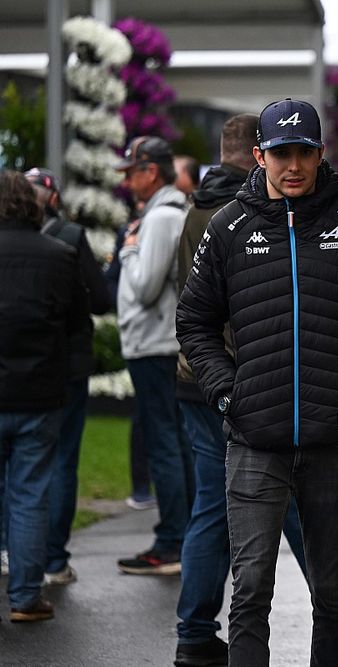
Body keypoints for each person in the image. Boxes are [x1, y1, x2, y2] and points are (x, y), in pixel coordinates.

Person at [172, 112, 338, 666]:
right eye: (280, 153)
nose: (293, 166)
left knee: (330, 589)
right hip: (254, 437)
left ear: (319, 154)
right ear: (259, 155)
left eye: (303, 153)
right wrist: (225, 391)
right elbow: (193, 320)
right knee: (252, 588)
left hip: (330, 439)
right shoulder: (229, 225)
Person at [0, 170, 88, 622]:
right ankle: (26, 596)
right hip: (39, 392)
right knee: (30, 494)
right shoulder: (59, 254)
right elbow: (78, 322)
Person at [23, 168, 113, 586]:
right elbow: (98, 299)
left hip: (18, 368)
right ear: (54, 199)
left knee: (17, 465)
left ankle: (15, 552)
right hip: (68, 366)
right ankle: (54, 558)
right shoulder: (71, 239)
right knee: (61, 460)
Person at [113, 135, 194, 575]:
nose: (127, 181)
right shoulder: (168, 212)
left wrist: (128, 250)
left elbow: (145, 288)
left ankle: (172, 541)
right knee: (174, 441)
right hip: (162, 344)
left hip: (155, 345)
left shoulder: (161, 217)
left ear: (151, 171)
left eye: (131, 172)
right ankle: (180, 536)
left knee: (165, 444)